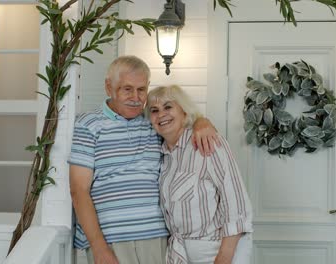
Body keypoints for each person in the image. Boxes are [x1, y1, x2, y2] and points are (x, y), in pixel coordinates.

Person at [68, 56, 219, 264]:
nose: (136, 97)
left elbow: (184, 120)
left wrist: (202, 121)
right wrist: (99, 247)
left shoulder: (154, 122)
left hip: (157, 236)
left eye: (141, 90)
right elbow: (78, 190)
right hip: (111, 240)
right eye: (127, 89)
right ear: (109, 87)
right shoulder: (88, 125)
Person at [145, 85, 253, 264]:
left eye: (168, 107)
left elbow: (237, 206)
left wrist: (223, 258)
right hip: (180, 252)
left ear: (184, 112)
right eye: (154, 110)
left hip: (217, 249)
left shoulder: (207, 143)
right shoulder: (164, 156)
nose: (161, 114)